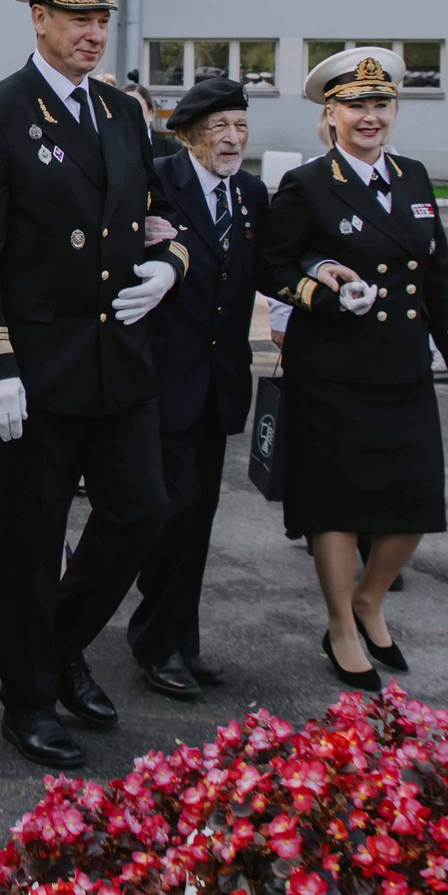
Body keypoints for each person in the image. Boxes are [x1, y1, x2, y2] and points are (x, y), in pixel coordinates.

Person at [0, 0, 184, 771]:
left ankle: (54, 648)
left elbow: (160, 212)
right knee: (32, 537)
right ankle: (29, 699)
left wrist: (171, 265)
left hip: (117, 358)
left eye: (101, 18)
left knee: (140, 511)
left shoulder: (122, 113)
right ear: (39, 19)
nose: (92, 32)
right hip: (37, 367)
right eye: (76, 17)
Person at [259, 48, 448, 693]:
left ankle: (369, 597)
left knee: (413, 501)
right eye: (355, 105)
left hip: (402, 367)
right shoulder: (307, 184)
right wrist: (323, 288)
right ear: (330, 113)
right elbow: (271, 267)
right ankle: (340, 625)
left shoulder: (412, 177)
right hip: (331, 369)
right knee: (337, 505)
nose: (369, 116)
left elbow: (439, 272)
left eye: (380, 104)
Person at [127, 76, 269, 700]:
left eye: (240, 126)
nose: (233, 139)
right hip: (161, 380)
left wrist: (320, 275)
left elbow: (272, 268)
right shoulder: (157, 182)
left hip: (221, 384)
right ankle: (155, 642)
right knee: (173, 512)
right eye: (219, 129)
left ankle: (182, 638)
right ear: (187, 135)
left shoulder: (253, 194)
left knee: (199, 517)